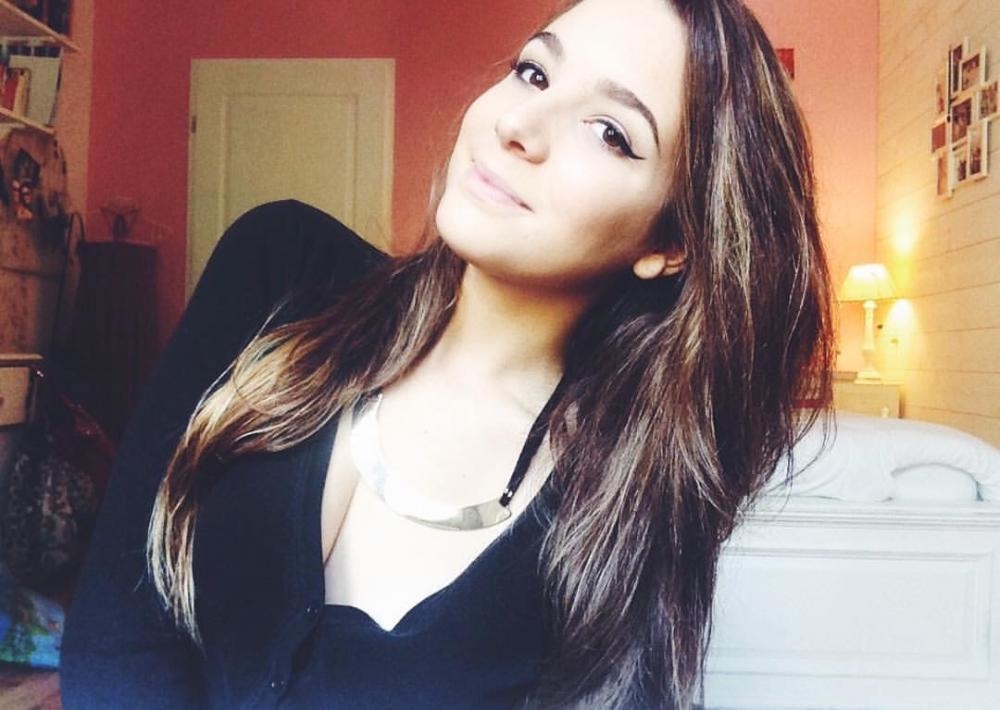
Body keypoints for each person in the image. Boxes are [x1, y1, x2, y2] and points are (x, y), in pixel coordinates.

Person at [61, 0, 834, 707]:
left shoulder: (613, 520)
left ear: (671, 241)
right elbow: (118, 626)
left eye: (609, 132)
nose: (519, 125)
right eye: (534, 72)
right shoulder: (279, 269)